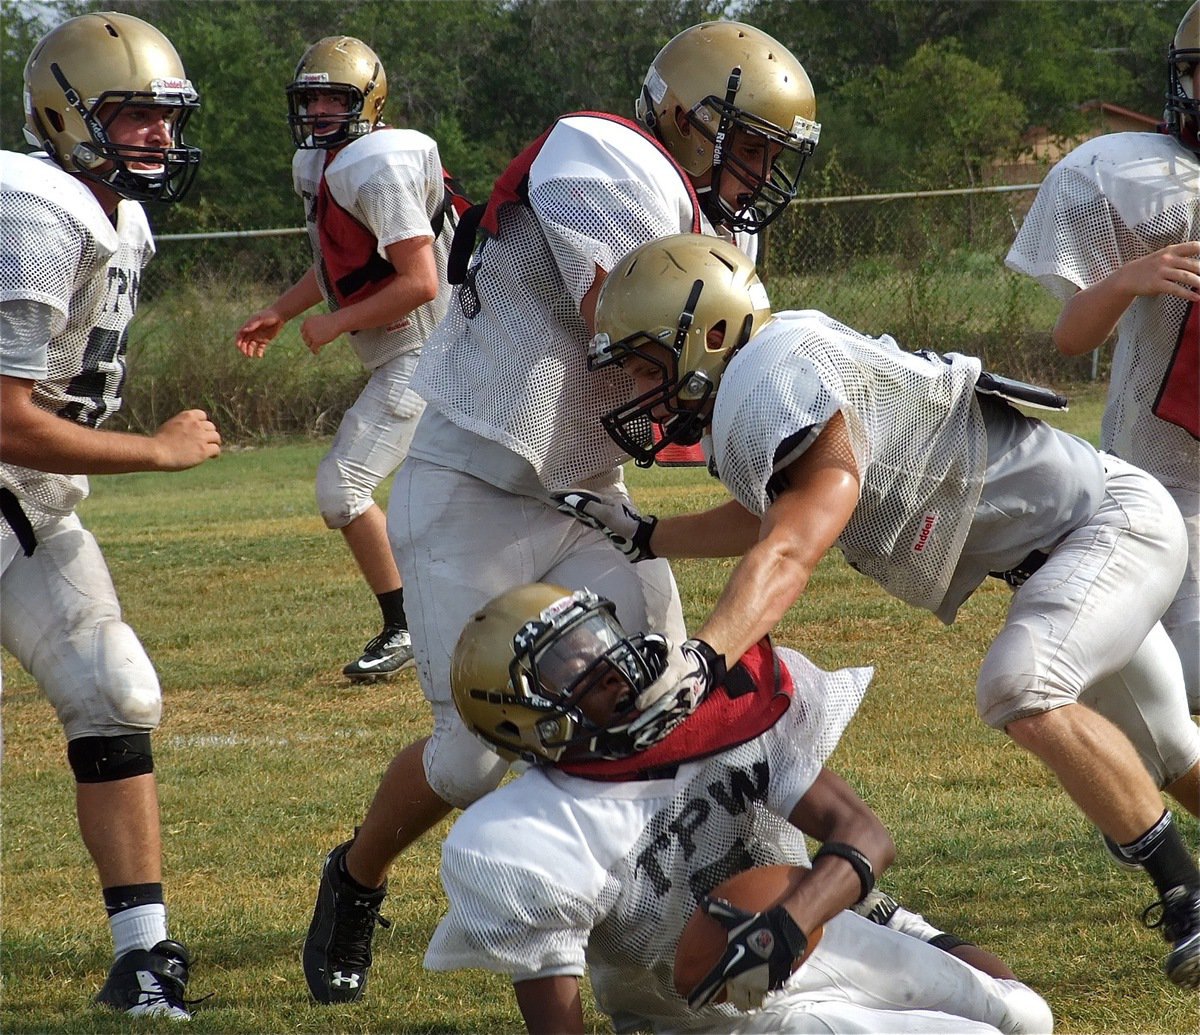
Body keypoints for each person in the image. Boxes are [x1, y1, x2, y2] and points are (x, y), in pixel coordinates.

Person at [300, 20, 822, 1004]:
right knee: (472, 755)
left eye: (770, 154)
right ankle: (358, 874)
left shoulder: (722, 224)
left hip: (588, 499)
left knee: (675, 699)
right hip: (469, 489)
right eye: (746, 142)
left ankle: (729, 892)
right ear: (685, 117)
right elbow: (628, 327)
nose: (757, 171)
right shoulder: (608, 152)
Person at [556, 232, 1200, 990]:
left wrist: (705, 655)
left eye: (643, 361)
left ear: (712, 334)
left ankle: (1186, 896)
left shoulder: (773, 376)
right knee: (1172, 750)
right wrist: (650, 533)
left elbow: (793, 542)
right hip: (1075, 545)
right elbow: (779, 512)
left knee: (1020, 685)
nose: (639, 385)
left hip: (1107, 526)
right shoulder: (770, 369)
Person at [424, 582, 1055, 1034]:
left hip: (812, 932)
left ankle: (898, 924)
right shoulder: (528, 838)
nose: (611, 667)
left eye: (598, 640)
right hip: (703, 1014)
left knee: (1028, 1017)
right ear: (522, 717)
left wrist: (785, 927)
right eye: (571, 666)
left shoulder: (707, 720)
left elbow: (863, 832)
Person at [1, 11, 218, 1018]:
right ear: (62, 115)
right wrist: (158, 452)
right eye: (133, 117)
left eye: (165, 120)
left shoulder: (118, 216)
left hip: (34, 511)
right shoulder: (34, 208)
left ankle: (143, 955)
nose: (157, 140)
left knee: (114, 688)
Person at [235, 36, 454, 683]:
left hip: (428, 350)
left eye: (337, 97)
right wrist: (284, 308)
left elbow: (420, 282)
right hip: (414, 350)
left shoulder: (375, 164)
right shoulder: (325, 166)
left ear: (370, 103)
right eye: (313, 97)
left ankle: (407, 623)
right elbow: (341, 257)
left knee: (343, 485)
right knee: (449, 494)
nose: (322, 109)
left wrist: (335, 322)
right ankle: (439, 616)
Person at [1006, 0, 1200, 716]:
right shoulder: (1144, 180)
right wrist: (1128, 277)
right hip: (1165, 483)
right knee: (1187, 675)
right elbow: (1071, 339)